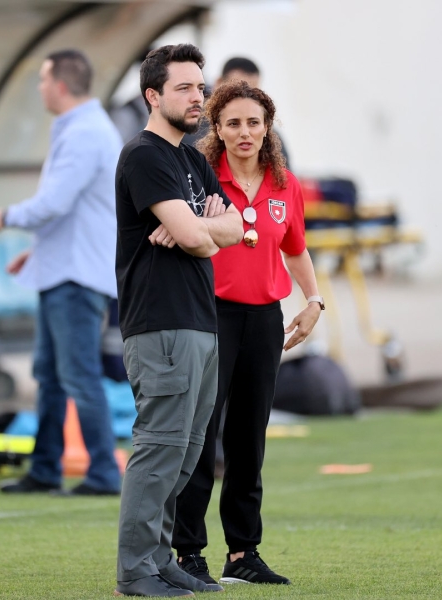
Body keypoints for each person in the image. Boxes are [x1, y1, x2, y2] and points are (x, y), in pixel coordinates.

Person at [173, 80, 324, 585]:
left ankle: (243, 553)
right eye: (233, 122)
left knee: (249, 439)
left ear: (267, 128)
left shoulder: (285, 184)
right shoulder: (199, 177)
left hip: (264, 320)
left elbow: (295, 248)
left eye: (253, 123)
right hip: (209, 315)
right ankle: (187, 553)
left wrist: (314, 301)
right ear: (216, 128)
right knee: (200, 435)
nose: (244, 132)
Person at [114, 44, 243, 597]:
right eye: (185, 88)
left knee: (188, 454)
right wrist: (201, 228)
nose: (198, 97)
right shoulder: (144, 156)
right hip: (160, 323)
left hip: (199, 321)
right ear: (153, 95)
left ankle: (161, 558)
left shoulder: (193, 160)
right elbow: (202, 237)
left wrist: (198, 228)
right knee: (161, 448)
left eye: (200, 87)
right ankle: (135, 571)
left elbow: (237, 228)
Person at [0, 49, 122, 497]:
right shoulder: (80, 127)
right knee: (49, 374)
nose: (41, 88)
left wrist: (6, 215)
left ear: (61, 85)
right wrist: (36, 253)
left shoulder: (85, 132)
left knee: (79, 375)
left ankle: (103, 473)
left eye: (44, 80)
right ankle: (44, 469)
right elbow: (76, 211)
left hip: (76, 279)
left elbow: (54, 203)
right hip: (62, 270)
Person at [183, 56, 290, 168]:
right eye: (236, 92)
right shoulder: (188, 127)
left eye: (252, 93)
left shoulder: (269, 137)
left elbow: (283, 174)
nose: (245, 98)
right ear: (218, 83)